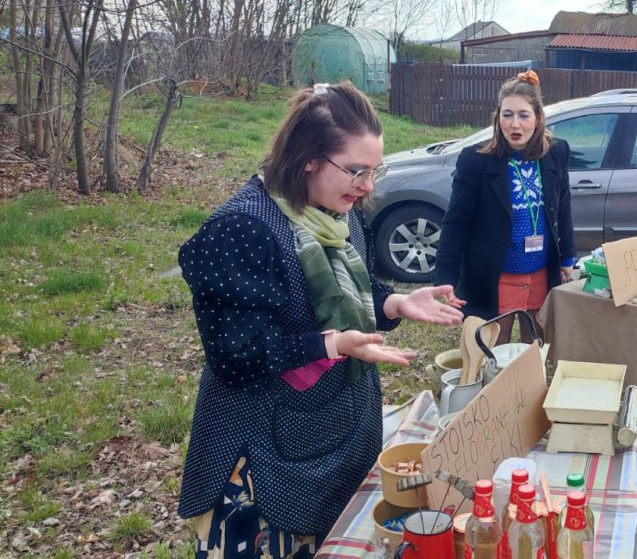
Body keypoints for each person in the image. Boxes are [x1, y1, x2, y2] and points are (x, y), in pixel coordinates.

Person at [176, 82, 465, 558]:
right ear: (309, 158)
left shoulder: (340, 213)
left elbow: (350, 293)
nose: (368, 186)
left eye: (375, 171)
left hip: (338, 431)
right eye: (356, 170)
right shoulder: (243, 229)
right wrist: (332, 345)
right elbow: (236, 356)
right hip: (262, 458)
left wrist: (396, 304)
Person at [435, 70, 576, 339]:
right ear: (497, 116)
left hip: (541, 273)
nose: (515, 125)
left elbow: (564, 206)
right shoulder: (475, 161)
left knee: (535, 348)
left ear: (537, 118)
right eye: (507, 115)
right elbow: (456, 223)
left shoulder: (556, 153)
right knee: (493, 351)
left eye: (524, 115)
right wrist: (446, 278)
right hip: (495, 276)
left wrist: (567, 255)